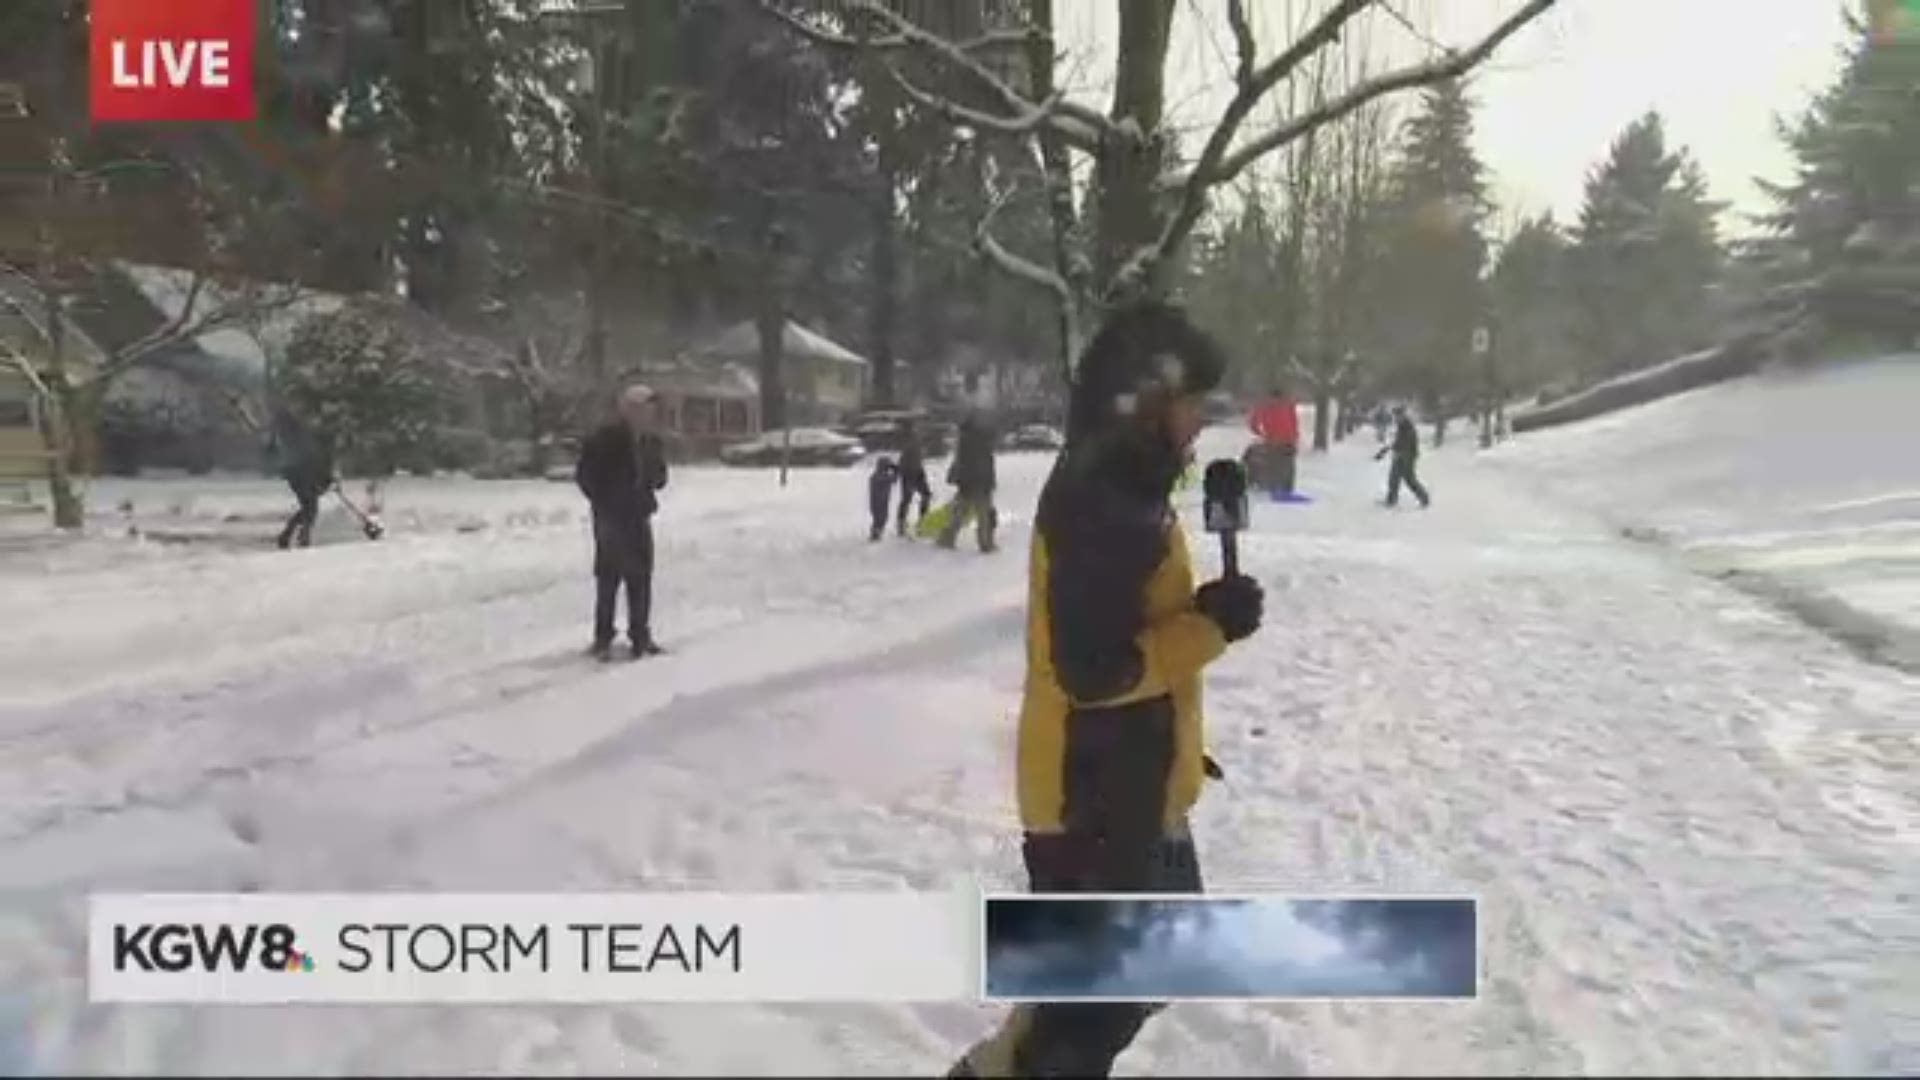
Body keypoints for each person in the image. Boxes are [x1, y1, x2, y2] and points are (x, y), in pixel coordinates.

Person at [947, 301, 1265, 1079]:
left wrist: (1202, 615)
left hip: (1135, 786)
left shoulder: (1129, 484)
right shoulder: (1103, 502)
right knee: (1090, 1017)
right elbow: (1093, 670)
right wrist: (1209, 628)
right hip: (1091, 799)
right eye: (1194, 402)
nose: (1201, 421)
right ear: (1148, 399)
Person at [575, 384, 671, 660]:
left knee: (641, 577)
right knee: (609, 577)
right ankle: (603, 637)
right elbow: (586, 476)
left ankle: (640, 636)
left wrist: (652, 473)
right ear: (628, 409)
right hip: (611, 517)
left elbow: (661, 479)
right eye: (643, 409)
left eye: (651, 410)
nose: (649, 415)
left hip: (639, 516)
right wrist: (605, 501)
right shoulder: (604, 439)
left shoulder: (651, 442)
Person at [273, 405, 335, 551]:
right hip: (302, 470)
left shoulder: (288, 434)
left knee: (308, 505)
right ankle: (300, 535)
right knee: (310, 506)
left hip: (295, 471)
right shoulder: (302, 434)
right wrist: (325, 475)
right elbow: (312, 454)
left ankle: (290, 534)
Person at [938, 413, 997, 553]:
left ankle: (947, 538)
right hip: (979, 483)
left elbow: (962, 463)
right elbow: (985, 464)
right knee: (983, 515)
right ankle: (985, 543)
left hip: (968, 483)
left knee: (960, 513)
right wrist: (989, 482)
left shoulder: (965, 441)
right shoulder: (979, 442)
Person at [1247, 383, 1300, 497]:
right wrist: (1262, 434)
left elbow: (1253, 424)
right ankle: (1278, 487)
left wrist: (1261, 433)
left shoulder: (1267, 407)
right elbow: (1253, 423)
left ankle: (1280, 487)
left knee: (1281, 465)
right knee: (1281, 465)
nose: (1275, 402)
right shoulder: (1284, 406)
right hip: (1279, 442)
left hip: (1281, 443)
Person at [1375, 405, 1431, 509]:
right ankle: (1391, 500)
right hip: (1400, 456)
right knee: (1393, 478)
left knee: (1409, 479)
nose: (1396, 419)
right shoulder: (1401, 426)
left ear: (1403, 415)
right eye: (1395, 416)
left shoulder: (1408, 427)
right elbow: (1397, 442)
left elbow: (1406, 443)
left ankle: (1424, 498)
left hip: (1408, 457)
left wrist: (1396, 451)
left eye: (1398, 416)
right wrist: (1386, 450)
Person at [896, 420, 933, 538]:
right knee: (908, 498)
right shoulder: (908, 439)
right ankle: (903, 524)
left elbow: (917, 454)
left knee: (924, 496)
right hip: (909, 471)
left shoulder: (915, 439)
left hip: (917, 470)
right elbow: (906, 458)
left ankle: (921, 522)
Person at [868, 455, 901, 542]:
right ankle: (875, 535)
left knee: (882, 519)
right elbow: (892, 479)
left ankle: (876, 534)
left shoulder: (880, 475)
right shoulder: (877, 476)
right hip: (877, 503)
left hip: (883, 501)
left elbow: (893, 480)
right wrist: (896, 471)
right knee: (879, 519)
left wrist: (895, 470)